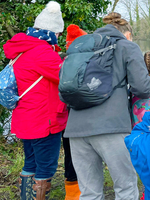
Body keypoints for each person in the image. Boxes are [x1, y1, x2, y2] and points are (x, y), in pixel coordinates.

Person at [63, 12, 150, 200]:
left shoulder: (80, 46)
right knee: (126, 188)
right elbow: (143, 89)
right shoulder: (127, 46)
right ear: (127, 33)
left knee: (89, 192)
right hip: (111, 127)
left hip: (76, 128)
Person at [3, 1, 68, 200]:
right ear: (53, 32)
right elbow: (65, 77)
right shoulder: (43, 53)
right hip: (43, 121)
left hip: (25, 118)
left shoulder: (23, 49)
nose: (58, 38)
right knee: (45, 167)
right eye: (58, 33)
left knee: (30, 163)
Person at [62, 24, 88, 200]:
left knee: (70, 157)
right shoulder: (86, 63)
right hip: (81, 117)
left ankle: (72, 194)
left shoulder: (61, 61)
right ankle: (80, 193)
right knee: (83, 158)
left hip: (64, 117)